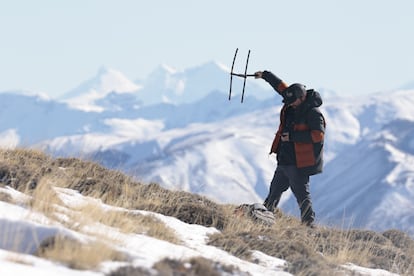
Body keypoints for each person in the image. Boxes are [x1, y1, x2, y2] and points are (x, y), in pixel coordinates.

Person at [254, 70, 326, 227]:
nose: (290, 104)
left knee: (302, 196)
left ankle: (309, 226)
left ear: (302, 97)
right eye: (289, 101)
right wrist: (265, 75)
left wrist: (292, 137)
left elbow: (318, 136)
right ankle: (264, 220)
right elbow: (281, 87)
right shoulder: (292, 99)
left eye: (294, 101)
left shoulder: (313, 113)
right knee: (273, 192)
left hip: (299, 162)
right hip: (285, 159)